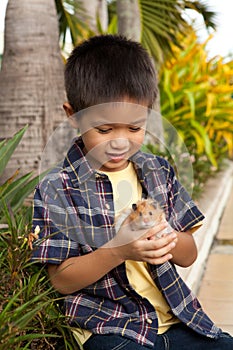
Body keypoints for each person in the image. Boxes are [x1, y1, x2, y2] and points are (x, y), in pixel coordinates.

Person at [31, 35, 233, 349]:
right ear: (73, 115)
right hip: (110, 327)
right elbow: (61, 280)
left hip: (176, 319)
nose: (121, 141)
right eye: (105, 129)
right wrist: (120, 249)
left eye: (135, 128)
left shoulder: (158, 171)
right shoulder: (58, 188)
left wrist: (166, 236)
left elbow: (188, 253)